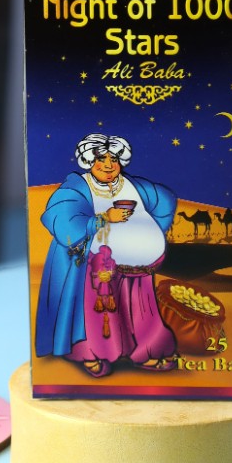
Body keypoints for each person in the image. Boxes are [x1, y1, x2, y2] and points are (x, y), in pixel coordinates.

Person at [36, 133, 178, 378]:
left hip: (139, 271)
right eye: (101, 159)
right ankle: (91, 354)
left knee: (141, 311)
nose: (109, 165)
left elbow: (164, 201)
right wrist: (103, 218)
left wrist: (153, 232)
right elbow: (62, 219)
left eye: (114, 159)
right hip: (98, 268)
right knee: (98, 313)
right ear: (89, 161)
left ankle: (145, 351)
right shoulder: (77, 188)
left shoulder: (135, 186)